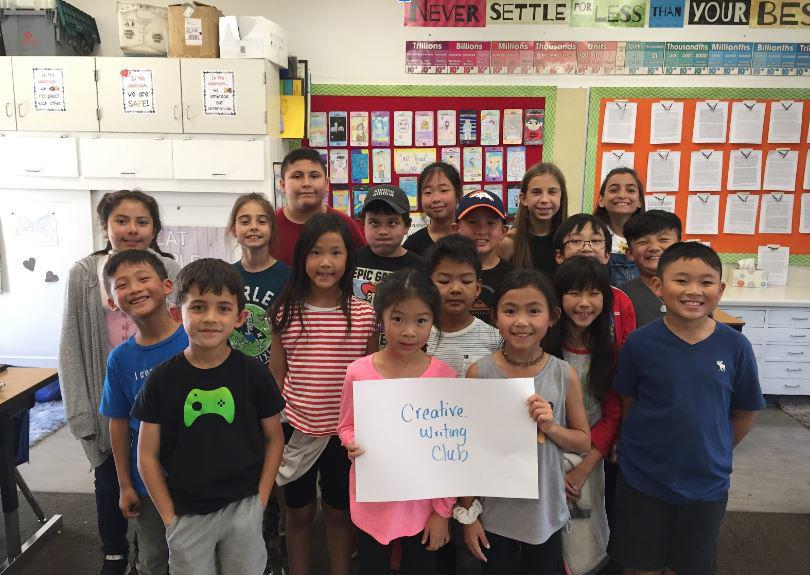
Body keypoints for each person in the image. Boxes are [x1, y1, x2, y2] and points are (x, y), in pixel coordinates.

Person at [610, 242, 764, 575]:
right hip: (643, 481)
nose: (693, 290)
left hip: (706, 484)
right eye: (681, 280)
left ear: (720, 290)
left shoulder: (736, 346)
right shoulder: (639, 342)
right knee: (640, 564)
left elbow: (744, 412)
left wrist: (716, 448)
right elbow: (629, 403)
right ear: (658, 286)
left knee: (689, 565)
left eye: (706, 282)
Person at [133, 258, 286, 575]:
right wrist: (169, 517)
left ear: (240, 317)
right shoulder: (161, 380)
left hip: (244, 506)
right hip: (186, 512)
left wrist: (260, 500)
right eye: (198, 307)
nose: (210, 318)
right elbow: (146, 455)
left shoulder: (254, 375)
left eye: (223, 308)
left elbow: (274, 439)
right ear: (177, 314)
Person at [58, 190, 180, 575]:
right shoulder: (85, 274)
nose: (132, 230)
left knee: (161, 485)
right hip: (112, 399)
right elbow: (71, 342)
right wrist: (80, 412)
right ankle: (115, 553)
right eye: (121, 221)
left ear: (154, 229)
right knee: (113, 483)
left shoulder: (169, 268)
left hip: (165, 405)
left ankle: (153, 550)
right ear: (105, 226)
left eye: (142, 222)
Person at [459, 270, 590, 574]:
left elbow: (583, 441)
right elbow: (466, 449)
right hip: (493, 511)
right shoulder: (479, 373)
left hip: (544, 511)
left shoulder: (563, 374)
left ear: (552, 317)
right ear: (495, 316)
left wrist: (551, 428)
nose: (521, 321)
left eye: (533, 311)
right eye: (510, 311)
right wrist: (468, 513)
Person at [269, 214, 377, 575]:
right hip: (296, 429)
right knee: (298, 514)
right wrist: (267, 429)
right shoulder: (284, 311)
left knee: (338, 512)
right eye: (316, 252)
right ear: (302, 257)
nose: (326, 262)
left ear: (349, 258)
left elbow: (371, 377)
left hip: (344, 435)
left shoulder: (364, 315)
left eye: (336, 252)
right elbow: (277, 375)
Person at [338, 268, 456, 574]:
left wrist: (442, 511)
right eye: (398, 319)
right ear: (381, 318)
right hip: (372, 503)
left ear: (433, 321)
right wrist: (352, 442)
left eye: (421, 321)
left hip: (422, 507)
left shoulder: (444, 376)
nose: (409, 332)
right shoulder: (358, 372)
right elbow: (346, 425)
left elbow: (450, 453)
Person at [99, 250, 188, 575]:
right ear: (113, 302)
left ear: (167, 285)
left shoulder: (195, 337)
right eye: (122, 284)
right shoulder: (120, 359)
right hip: (148, 482)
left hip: (201, 477)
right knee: (154, 559)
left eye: (143, 278)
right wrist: (125, 484)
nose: (135, 288)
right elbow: (119, 422)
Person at [548, 256, 622, 574]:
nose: (584, 303)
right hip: (544, 457)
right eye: (574, 293)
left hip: (589, 459)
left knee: (582, 540)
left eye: (594, 293)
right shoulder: (543, 348)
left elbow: (612, 416)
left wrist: (583, 470)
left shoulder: (609, 352)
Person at [553, 214, 636, 350]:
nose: (587, 248)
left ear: (607, 255)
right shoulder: (548, 296)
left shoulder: (620, 299)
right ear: (559, 255)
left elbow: (627, 349)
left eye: (596, 240)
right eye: (576, 241)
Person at [424, 234, 501, 378]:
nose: (456, 289)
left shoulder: (496, 339)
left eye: (466, 281)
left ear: (477, 288)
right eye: (444, 281)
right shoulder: (416, 336)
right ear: (429, 286)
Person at [227, 193, 291, 366]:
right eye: (245, 221)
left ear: (272, 229)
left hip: (274, 372)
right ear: (233, 229)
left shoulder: (288, 277)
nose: (254, 227)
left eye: (262, 221)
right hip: (233, 370)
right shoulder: (225, 277)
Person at [274, 148, 366, 266]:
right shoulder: (268, 225)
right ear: (282, 185)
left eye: (314, 176)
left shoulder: (346, 225)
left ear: (327, 184)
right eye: (297, 176)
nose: (306, 183)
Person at [453, 190, 516, 325]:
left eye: (490, 223)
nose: (481, 231)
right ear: (456, 230)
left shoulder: (515, 277)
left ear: (503, 231)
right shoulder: (445, 274)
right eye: (472, 222)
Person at [352, 185, 422, 306]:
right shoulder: (350, 261)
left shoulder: (419, 268)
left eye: (392, 222)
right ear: (363, 224)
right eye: (374, 222)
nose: (383, 231)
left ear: (407, 225)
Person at [501, 163, 569, 277]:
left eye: (552, 192)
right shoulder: (508, 243)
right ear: (523, 199)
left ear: (561, 198)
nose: (544, 200)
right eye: (536, 192)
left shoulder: (571, 240)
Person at [619, 210, 682, 327]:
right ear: (630, 253)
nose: (654, 247)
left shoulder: (695, 289)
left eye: (663, 240)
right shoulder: (620, 296)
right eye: (643, 242)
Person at [593, 168, 646, 286]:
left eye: (630, 190)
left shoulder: (649, 240)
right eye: (614, 190)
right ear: (601, 200)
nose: (622, 195)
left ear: (639, 201)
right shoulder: (591, 238)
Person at [403, 162, 463, 255]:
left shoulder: (470, 237)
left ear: (457, 193)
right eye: (428, 192)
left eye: (443, 190)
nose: (436, 199)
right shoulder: (412, 245)